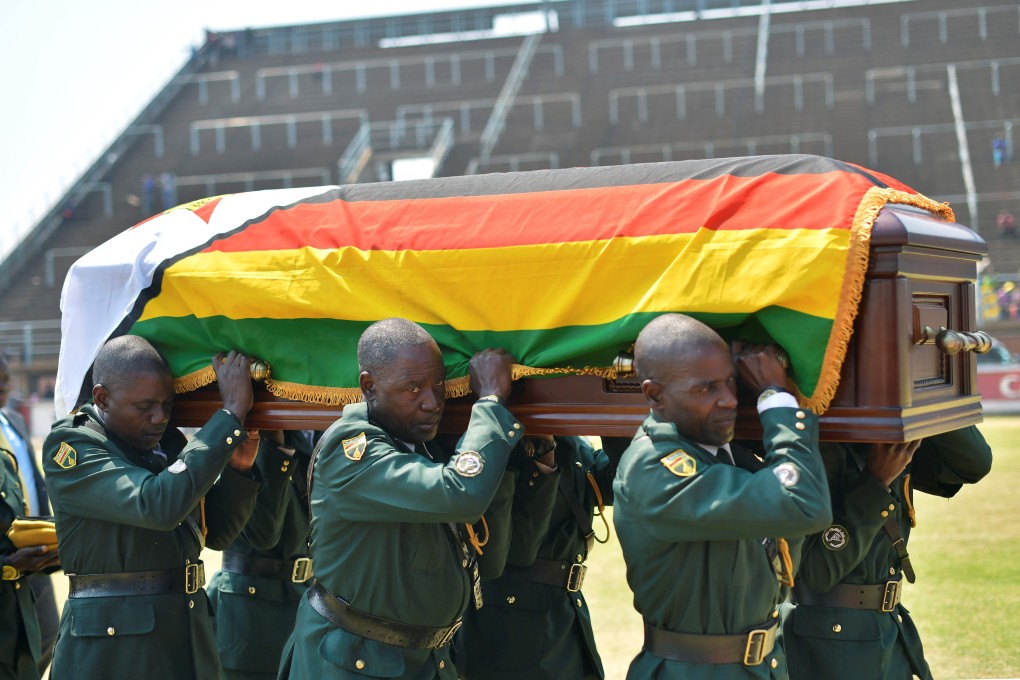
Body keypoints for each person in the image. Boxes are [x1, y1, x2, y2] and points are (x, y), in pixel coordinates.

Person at [279, 317, 522, 680]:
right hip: (352, 663)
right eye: (413, 388)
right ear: (369, 385)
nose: (432, 402)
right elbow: (460, 492)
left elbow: (490, 561)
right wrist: (489, 403)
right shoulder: (351, 453)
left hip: (423, 659)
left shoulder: (418, 445)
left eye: (439, 383)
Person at [612, 313, 832, 678]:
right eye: (705, 388)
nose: (730, 400)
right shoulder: (654, 469)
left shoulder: (720, 454)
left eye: (731, 381)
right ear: (654, 394)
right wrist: (775, 400)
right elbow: (803, 502)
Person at [43, 336, 263, 680]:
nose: (160, 416)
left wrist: (238, 469)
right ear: (102, 397)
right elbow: (156, 505)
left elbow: (218, 533)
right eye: (145, 406)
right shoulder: (73, 447)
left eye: (167, 402)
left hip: (185, 633)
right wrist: (228, 417)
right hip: (114, 649)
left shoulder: (168, 444)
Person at [782, 426, 992, 680]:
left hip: (888, 628)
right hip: (828, 645)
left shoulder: (888, 434)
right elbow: (817, 574)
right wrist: (875, 480)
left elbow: (974, 463)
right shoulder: (812, 447)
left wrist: (926, 404)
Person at [454, 434, 627, 680]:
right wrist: (543, 459)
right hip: (512, 625)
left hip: (564, 612)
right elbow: (520, 551)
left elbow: (619, 485)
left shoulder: (571, 441)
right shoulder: (501, 440)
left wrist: (614, 422)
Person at [208, 430, 315, 679]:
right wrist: (274, 443)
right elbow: (263, 534)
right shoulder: (251, 441)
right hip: (250, 619)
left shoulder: (315, 438)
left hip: (301, 604)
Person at [0, 356, 59, 677]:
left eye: (7, 379)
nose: (4, 387)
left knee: (49, 633)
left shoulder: (14, 420)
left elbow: (35, 481)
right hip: (8, 559)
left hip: (35, 551)